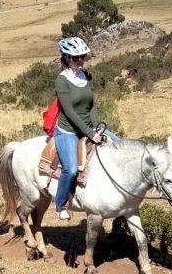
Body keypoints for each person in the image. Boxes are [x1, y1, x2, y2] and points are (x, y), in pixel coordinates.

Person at [52, 37, 118, 221]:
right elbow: (69, 112)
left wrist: (96, 127)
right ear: (66, 58)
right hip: (68, 131)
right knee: (71, 169)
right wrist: (90, 133)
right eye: (76, 57)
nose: (80, 60)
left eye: (83, 56)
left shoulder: (86, 76)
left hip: (88, 128)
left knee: (119, 144)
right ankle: (60, 204)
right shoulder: (62, 81)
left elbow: (91, 105)